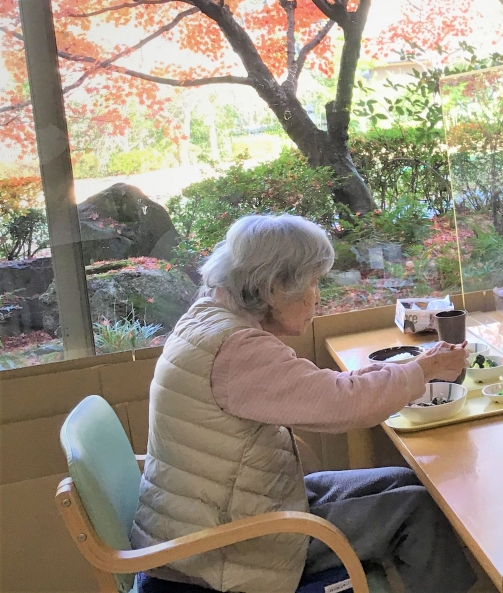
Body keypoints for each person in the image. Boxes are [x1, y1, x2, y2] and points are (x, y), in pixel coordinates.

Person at [130, 214, 476, 593]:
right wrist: (425, 369)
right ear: (275, 286)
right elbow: (344, 405)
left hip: (230, 510)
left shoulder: (208, 319)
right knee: (419, 511)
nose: (317, 295)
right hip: (224, 553)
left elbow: (324, 390)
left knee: (406, 482)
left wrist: (415, 367)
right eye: (312, 282)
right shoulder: (236, 350)